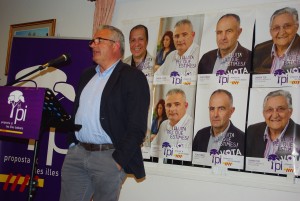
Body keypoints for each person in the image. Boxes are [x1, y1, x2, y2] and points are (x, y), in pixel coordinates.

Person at [60, 25, 150, 201]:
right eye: (93, 41)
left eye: (99, 41)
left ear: (116, 45)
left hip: (108, 157)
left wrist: (117, 161)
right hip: (77, 154)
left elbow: (137, 126)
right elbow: (76, 111)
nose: (93, 45)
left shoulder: (133, 77)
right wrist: (72, 144)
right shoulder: (86, 75)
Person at [247, 90, 300, 158]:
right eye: (270, 110)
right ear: (264, 113)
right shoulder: (252, 131)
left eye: (281, 109)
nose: (275, 115)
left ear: (290, 112)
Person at [192, 89, 245, 156]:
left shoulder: (243, 140)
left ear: (231, 111)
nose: (215, 115)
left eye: (221, 109)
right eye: (212, 109)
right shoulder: (200, 135)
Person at [253, 7, 300, 73]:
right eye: (276, 28)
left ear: (296, 27)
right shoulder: (259, 50)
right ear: (270, 31)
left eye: (287, 26)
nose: (282, 32)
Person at [152, 88, 193, 159]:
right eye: (168, 105)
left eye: (177, 104)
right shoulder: (164, 124)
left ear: (186, 106)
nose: (171, 109)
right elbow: (153, 148)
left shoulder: (192, 126)